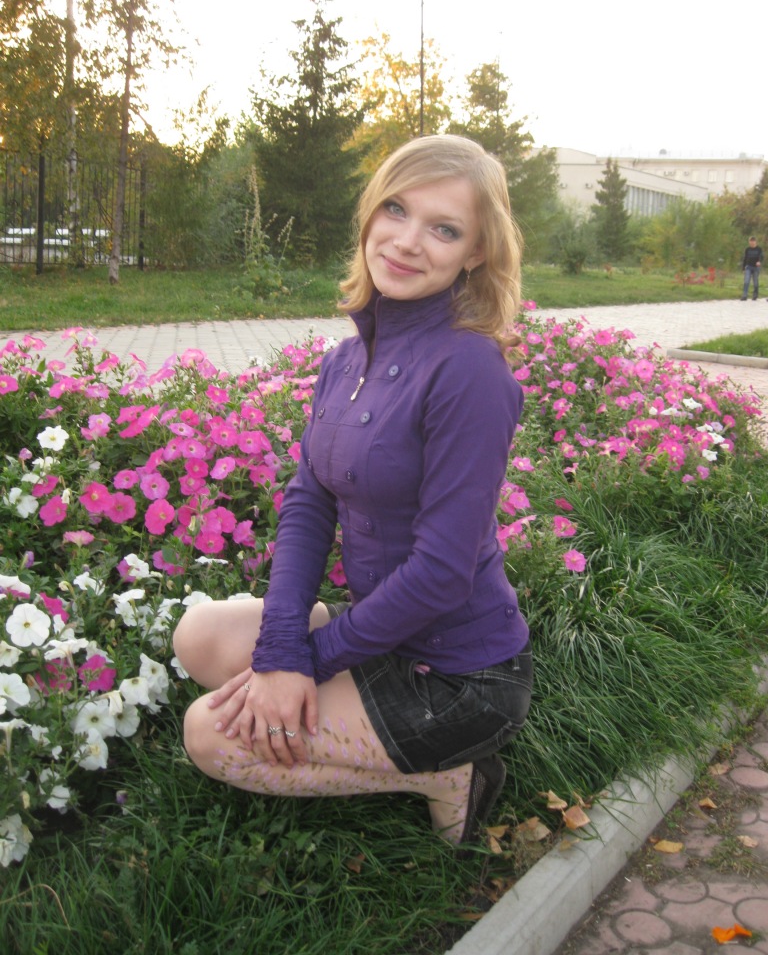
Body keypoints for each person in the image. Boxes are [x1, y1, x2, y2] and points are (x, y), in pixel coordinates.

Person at [173, 135, 533, 846]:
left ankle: (448, 777)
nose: (406, 241)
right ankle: (354, 712)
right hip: (381, 629)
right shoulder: (347, 358)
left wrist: (310, 662)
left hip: (460, 676)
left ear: (476, 253)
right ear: (370, 214)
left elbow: (442, 572)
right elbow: (310, 502)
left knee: (208, 738)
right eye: (395, 209)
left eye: (444, 228)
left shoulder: (470, 371)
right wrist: (281, 650)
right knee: (201, 636)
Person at [740, 236, 763, 300]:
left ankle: (755, 294)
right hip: (748, 267)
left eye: (753, 241)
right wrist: (743, 268)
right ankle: (744, 295)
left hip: (756, 267)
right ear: (749, 242)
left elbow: (761, 256)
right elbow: (745, 258)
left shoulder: (759, 249)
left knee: (755, 282)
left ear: (755, 242)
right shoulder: (747, 249)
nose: (752, 243)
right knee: (746, 281)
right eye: (751, 241)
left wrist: (759, 261)